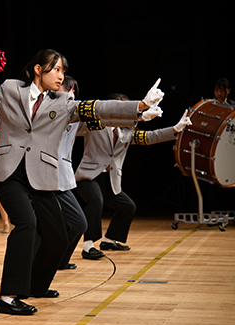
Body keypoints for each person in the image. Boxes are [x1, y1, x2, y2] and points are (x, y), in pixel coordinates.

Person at [0, 49, 163, 315]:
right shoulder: (10, 90)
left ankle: (37, 286)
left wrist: (139, 107)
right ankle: (7, 298)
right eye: (56, 69)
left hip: (41, 177)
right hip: (9, 173)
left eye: (63, 70)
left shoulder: (63, 102)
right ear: (38, 69)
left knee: (58, 235)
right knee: (27, 224)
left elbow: (97, 108)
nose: (61, 76)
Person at [75, 94, 192, 259]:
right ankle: (88, 246)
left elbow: (151, 137)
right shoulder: (96, 123)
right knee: (96, 200)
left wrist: (175, 129)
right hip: (88, 176)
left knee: (127, 207)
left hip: (110, 180)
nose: (123, 111)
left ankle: (109, 240)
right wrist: (140, 117)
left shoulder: (127, 132)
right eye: (119, 107)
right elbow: (102, 121)